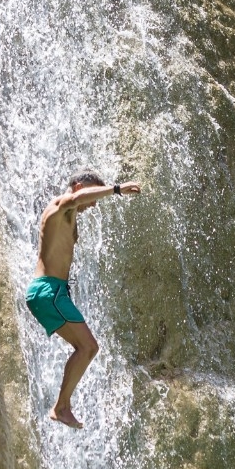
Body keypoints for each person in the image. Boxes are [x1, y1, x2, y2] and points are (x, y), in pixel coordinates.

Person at [25, 170, 141, 428]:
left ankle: (62, 406)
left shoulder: (70, 216)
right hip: (47, 291)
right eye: (92, 196)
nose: (94, 204)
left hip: (55, 292)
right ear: (78, 186)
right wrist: (117, 189)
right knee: (88, 347)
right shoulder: (59, 205)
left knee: (87, 347)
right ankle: (61, 407)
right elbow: (75, 199)